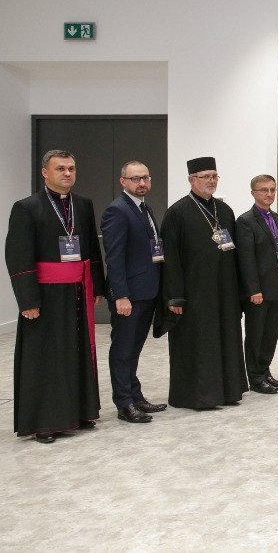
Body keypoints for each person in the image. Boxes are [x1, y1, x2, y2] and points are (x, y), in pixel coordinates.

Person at [5, 150, 105, 443]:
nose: (67, 174)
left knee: (76, 352)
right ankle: (46, 422)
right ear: (45, 172)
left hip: (76, 290)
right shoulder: (26, 207)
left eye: (71, 168)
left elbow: (90, 250)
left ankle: (81, 412)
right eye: (60, 168)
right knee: (47, 357)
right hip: (45, 296)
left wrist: (97, 286)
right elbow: (17, 256)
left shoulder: (83, 204)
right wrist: (28, 301)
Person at [159, 157, 247, 410]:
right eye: (205, 176)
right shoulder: (177, 213)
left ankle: (228, 391)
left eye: (215, 176)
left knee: (225, 339)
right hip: (194, 294)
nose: (211, 181)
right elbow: (171, 259)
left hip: (224, 292)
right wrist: (174, 296)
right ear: (191, 179)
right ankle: (198, 395)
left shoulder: (225, 211)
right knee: (198, 343)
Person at [100, 160, 165, 424]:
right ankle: (124, 403)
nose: (141, 183)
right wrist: (121, 295)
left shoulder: (145, 207)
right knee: (123, 350)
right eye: (135, 179)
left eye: (145, 178)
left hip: (147, 292)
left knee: (135, 349)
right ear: (123, 181)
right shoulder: (117, 211)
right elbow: (114, 258)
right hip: (129, 296)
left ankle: (135, 395)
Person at [235, 174, 278, 394]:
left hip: (276, 286)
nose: (269, 194)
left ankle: (265, 370)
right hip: (259, 290)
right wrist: (253, 289)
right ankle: (255, 377)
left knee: (270, 333)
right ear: (253, 193)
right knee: (256, 335)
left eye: (272, 190)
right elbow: (246, 259)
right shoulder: (246, 221)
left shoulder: (275, 218)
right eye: (264, 190)